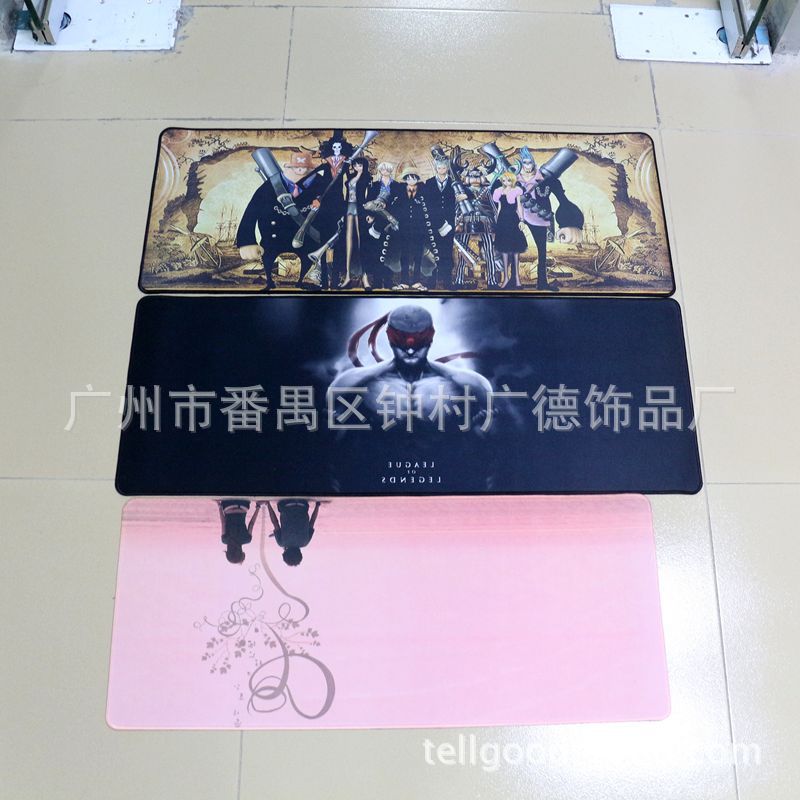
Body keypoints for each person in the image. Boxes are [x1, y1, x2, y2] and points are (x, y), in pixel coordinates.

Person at [235, 152, 317, 289]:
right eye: (296, 167)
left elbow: (331, 211)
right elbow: (251, 211)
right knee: (269, 257)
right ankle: (269, 282)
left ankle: (301, 281)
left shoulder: (321, 184)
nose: (300, 170)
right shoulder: (270, 186)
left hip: (307, 240)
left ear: (311, 169)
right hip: (273, 241)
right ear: (288, 168)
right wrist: (247, 241)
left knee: (308, 257)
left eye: (305, 168)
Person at [515, 146, 584, 291]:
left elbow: (563, 201)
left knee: (542, 251)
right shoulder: (515, 180)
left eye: (529, 162)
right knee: (511, 247)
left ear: (534, 164)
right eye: (524, 163)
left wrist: (572, 224)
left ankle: (542, 283)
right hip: (518, 216)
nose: (527, 166)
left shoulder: (550, 181)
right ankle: (513, 281)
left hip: (540, 217)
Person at [423, 156, 463, 289]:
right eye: (439, 168)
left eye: (444, 167)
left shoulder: (453, 182)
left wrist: (463, 196)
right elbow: (425, 202)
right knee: (433, 250)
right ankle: (431, 280)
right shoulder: (429, 183)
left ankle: (447, 281)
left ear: (447, 168)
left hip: (449, 223)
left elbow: (468, 194)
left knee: (446, 252)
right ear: (436, 168)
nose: (441, 170)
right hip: (433, 223)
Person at [492, 171, 527, 289]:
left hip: (513, 220)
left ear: (512, 180)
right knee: (504, 249)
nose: (506, 182)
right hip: (502, 221)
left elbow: (519, 206)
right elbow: (499, 208)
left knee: (516, 250)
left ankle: (517, 279)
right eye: (504, 180)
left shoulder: (516, 190)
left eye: (508, 180)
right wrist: (497, 222)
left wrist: (522, 220)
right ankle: (506, 278)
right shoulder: (498, 191)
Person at [341, 157, 371, 289]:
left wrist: (370, 213)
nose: (357, 167)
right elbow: (345, 168)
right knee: (348, 242)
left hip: (360, 210)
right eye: (355, 165)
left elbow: (367, 197)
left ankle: (365, 277)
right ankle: (347, 276)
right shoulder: (349, 176)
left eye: (360, 165)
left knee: (361, 242)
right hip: (349, 208)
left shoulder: (367, 179)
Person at [266, 499, 321, 566]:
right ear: (285, 553)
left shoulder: (305, 542)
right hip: (285, 504)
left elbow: (312, 521)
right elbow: (275, 522)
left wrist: (317, 505)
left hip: (303, 504)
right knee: (280, 508)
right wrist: (268, 504)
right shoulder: (281, 542)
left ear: (299, 553)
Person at [218, 498, 259, 565]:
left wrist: (258, 506)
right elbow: (223, 522)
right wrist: (219, 505)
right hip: (228, 505)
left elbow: (251, 524)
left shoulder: (247, 539)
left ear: (241, 552)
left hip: (243, 505)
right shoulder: (225, 540)